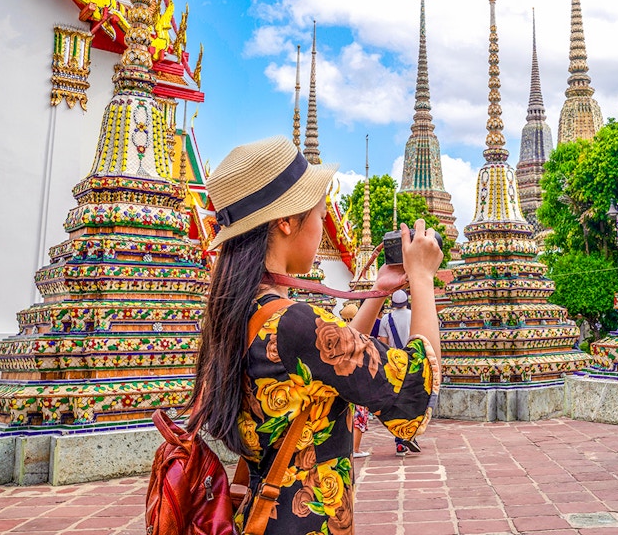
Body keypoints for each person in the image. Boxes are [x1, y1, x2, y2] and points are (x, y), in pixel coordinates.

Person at [188, 136, 442, 535]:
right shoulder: (294, 323)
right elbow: (413, 388)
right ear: (286, 222)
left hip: (259, 515)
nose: (324, 223)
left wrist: (375, 294)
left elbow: (325, 367)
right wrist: (423, 280)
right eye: (320, 212)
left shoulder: (238, 312)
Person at [379, 290, 419, 457]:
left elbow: (383, 344)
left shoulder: (386, 319)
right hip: (414, 362)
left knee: (397, 401)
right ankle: (411, 434)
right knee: (414, 400)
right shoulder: (414, 316)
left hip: (395, 364)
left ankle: (399, 441)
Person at [337, 303, 371, 460]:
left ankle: (350, 447)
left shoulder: (338, 332)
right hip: (359, 380)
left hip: (343, 381)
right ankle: (355, 448)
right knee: (359, 416)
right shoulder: (359, 335)